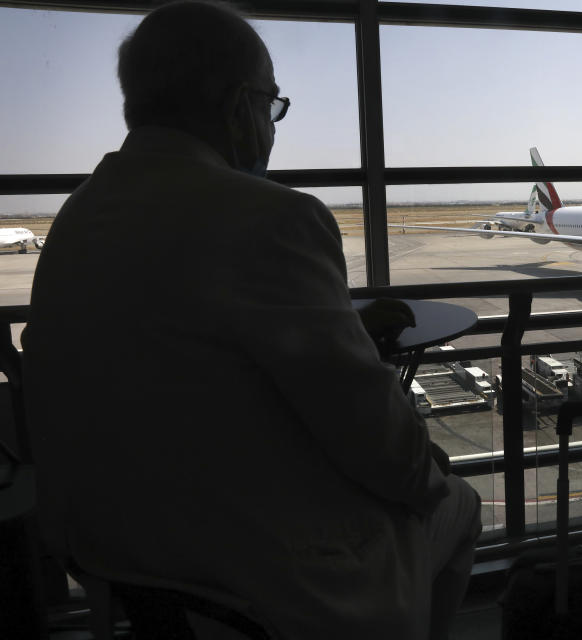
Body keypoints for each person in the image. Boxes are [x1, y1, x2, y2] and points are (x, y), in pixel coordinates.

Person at [22, 2, 480, 638]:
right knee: (458, 502)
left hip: (118, 558)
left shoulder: (76, 217)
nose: (270, 125)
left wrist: (344, 324)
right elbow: (388, 453)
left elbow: (181, 337)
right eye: (273, 105)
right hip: (259, 586)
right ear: (240, 106)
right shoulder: (273, 217)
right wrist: (426, 467)